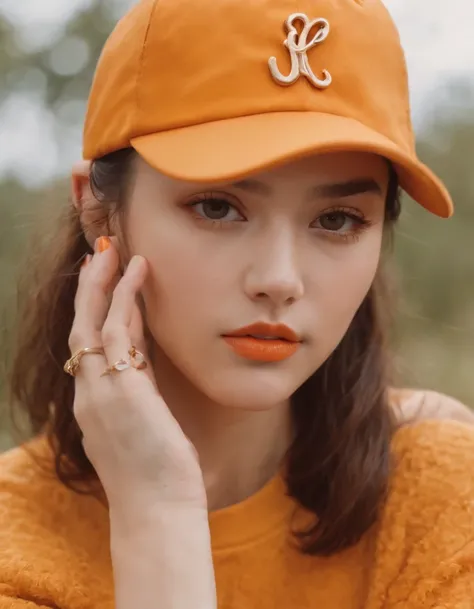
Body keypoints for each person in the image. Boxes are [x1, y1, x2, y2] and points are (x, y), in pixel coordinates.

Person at [1, 0, 473, 607]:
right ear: (99, 213)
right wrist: (157, 513)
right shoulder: (17, 549)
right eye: (218, 207)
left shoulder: (440, 497)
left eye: (336, 219)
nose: (279, 279)